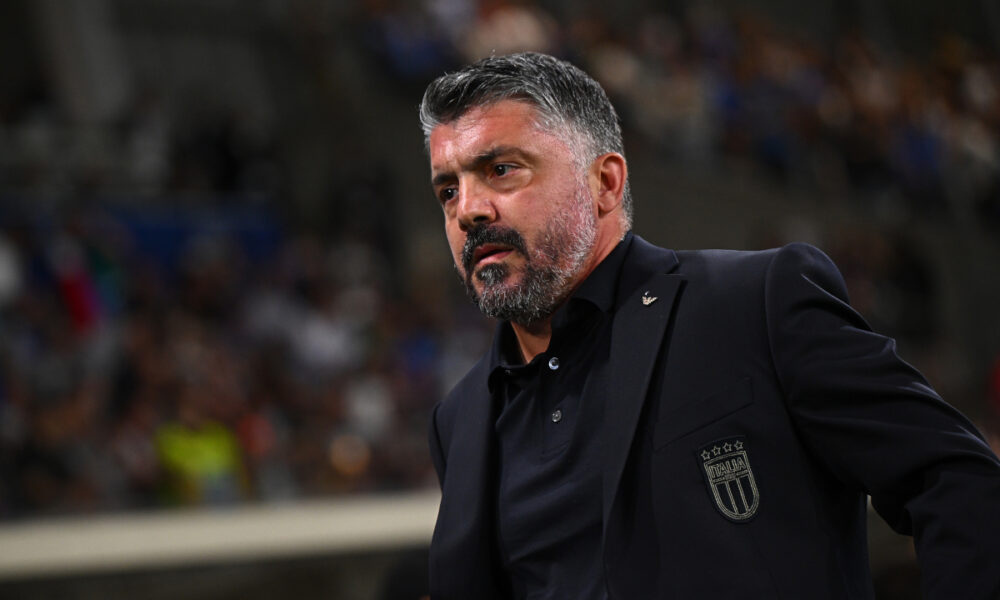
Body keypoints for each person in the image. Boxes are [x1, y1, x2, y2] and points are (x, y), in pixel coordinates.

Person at [418, 52, 1000, 599]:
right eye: (448, 189)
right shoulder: (460, 419)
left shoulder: (755, 303)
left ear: (605, 183)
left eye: (501, 169)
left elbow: (956, 481)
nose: (468, 209)